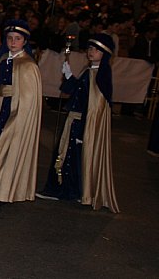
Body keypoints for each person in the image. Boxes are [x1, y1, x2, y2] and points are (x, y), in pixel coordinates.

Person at [37, 34, 120, 213]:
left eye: (96, 50)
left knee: (71, 157)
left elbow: (96, 106)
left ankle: (69, 190)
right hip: (74, 121)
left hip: (82, 124)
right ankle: (62, 188)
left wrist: (86, 129)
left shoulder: (101, 76)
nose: (91, 52)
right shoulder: (88, 72)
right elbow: (77, 92)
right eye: (90, 48)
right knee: (64, 153)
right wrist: (69, 76)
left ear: (104, 54)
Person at [0, 20, 42, 204]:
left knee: (6, 148)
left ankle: (0, 189)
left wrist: (18, 114)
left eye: (17, 39)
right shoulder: (3, 59)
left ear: (24, 42)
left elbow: (29, 97)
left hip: (15, 112)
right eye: (10, 38)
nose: (13, 42)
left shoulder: (28, 65)